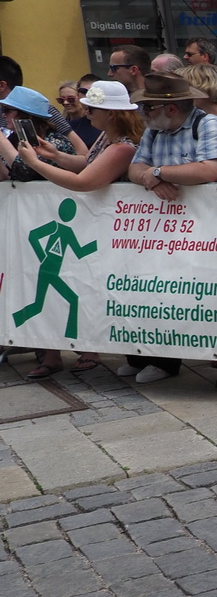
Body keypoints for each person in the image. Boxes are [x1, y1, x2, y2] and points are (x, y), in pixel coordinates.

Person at [0, 80, 141, 378]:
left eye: (93, 109)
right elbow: (87, 163)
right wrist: (54, 156)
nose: (86, 112)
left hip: (114, 229)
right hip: (98, 230)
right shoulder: (107, 138)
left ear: (111, 113)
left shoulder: (123, 146)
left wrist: (34, 162)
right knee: (69, 293)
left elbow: (84, 182)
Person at [125, 72, 217, 382]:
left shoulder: (207, 124)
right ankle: (159, 358)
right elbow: (134, 167)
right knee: (161, 292)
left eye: (149, 108)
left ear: (169, 108)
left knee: (204, 293)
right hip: (162, 232)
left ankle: (215, 350)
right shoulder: (154, 132)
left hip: (205, 230)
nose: (143, 114)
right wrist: (151, 178)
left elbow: (209, 169)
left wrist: (157, 171)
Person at [58, 82, 101, 147]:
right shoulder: (60, 123)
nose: (65, 102)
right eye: (61, 100)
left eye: (71, 99)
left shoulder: (95, 123)